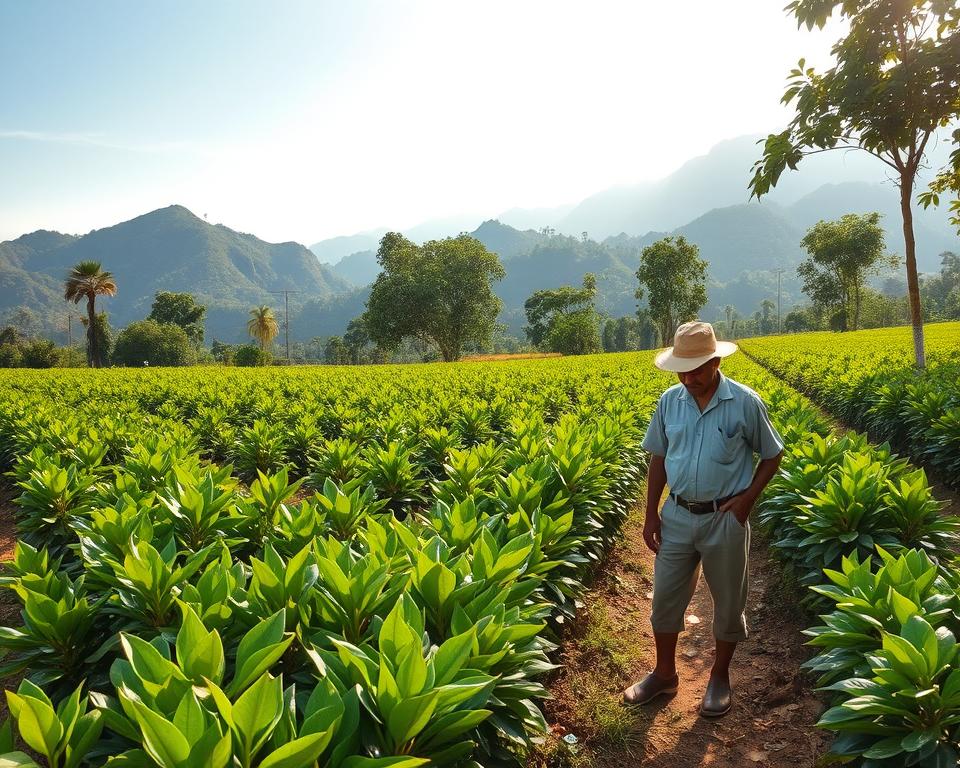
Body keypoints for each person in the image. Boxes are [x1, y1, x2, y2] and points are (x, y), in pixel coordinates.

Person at [622, 320, 784, 717]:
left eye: (697, 368)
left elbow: (772, 454)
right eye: (682, 368)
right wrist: (651, 515)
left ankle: (719, 676)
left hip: (724, 518)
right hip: (677, 515)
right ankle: (664, 674)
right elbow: (658, 458)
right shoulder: (668, 401)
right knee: (664, 599)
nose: (689, 377)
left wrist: (746, 501)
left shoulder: (745, 402)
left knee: (728, 602)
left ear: (715, 361)